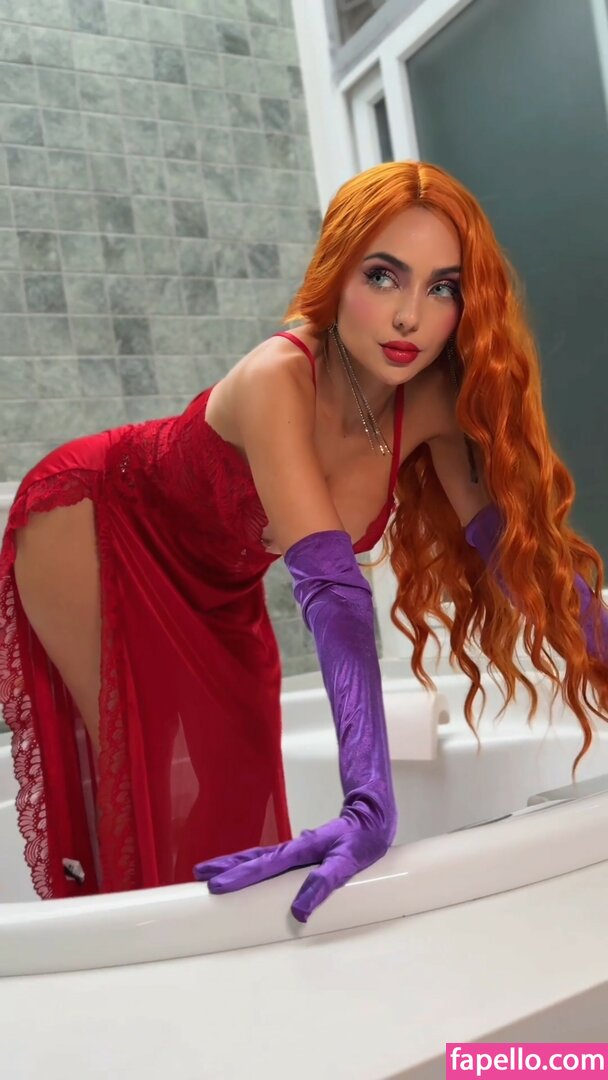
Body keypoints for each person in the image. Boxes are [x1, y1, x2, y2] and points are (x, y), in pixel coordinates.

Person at [1, 161, 607, 920]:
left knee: (236, 778)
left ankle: (214, 972)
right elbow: (333, 593)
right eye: (383, 276)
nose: (409, 317)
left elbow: (515, 555)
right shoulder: (279, 376)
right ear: (337, 270)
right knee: (140, 769)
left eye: (442, 288)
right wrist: (370, 805)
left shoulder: (434, 401)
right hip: (93, 525)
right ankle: (123, 959)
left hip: (219, 588)